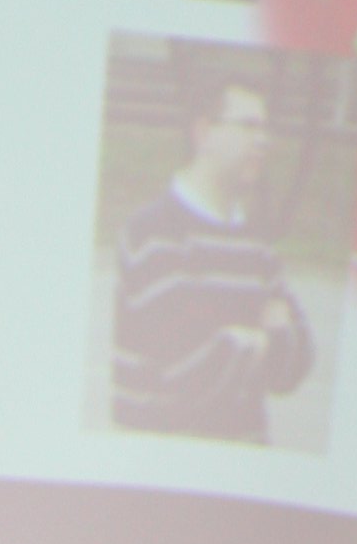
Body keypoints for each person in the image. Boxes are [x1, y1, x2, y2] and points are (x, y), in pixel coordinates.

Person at [111, 67, 314, 442]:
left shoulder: (258, 246)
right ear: (204, 133)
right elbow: (182, 374)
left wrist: (241, 341)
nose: (263, 141)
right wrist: (259, 338)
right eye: (248, 127)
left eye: (265, 129)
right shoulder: (152, 233)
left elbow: (292, 369)